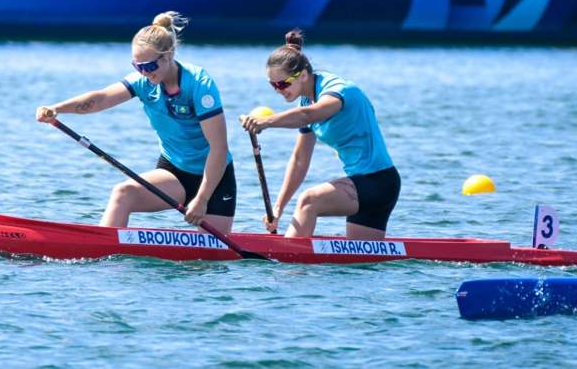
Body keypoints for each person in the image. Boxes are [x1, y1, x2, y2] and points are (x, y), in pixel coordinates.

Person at [36, 12, 237, 233]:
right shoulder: (143, 81)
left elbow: (219, 148)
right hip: (174, 172)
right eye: (137, 66)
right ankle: (103, 259)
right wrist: (57, 108)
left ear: (168, 55)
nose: (143, 72)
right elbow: (100, 99)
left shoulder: (199, 84)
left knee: (207, 261)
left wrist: (202, 199)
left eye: (149, 66)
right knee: (123, 194)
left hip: (215, 178)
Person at [240, 29, 399, 239]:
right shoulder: (305, 99)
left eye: (283, 83)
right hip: (362, 186)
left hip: (377, 182)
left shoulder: (338, 90)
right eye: (273, 85)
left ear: (303, 75)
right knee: (361, 266)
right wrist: (278, 208)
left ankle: (289, 268)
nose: (278, 90)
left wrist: (266, 122)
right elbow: (299, 160)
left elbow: (308, 115)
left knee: (309, 200)